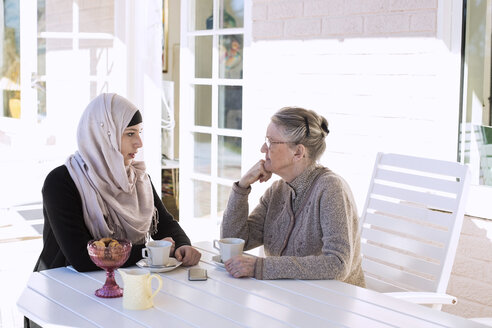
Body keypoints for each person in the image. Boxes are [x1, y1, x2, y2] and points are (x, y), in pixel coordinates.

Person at [34, 93, 201, 273]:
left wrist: (183, 245)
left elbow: (165, 224)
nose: (139, 143)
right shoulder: (61, 181)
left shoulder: (136, 177)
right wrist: (150, 252)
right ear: (105, 136)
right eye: (130, 134)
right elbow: (81, 257)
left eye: (139, 133)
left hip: (125, 280)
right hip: (64, 285)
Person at [221, 106, 365, 287]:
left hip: (334, 304)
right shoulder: (277, 191)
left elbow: (338, 264)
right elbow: (233, 240)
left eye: (271, 141)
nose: (263, 148)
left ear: (298, 152)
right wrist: (241, 188)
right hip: (288, 300)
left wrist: (262, 267)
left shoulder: (330, 189)